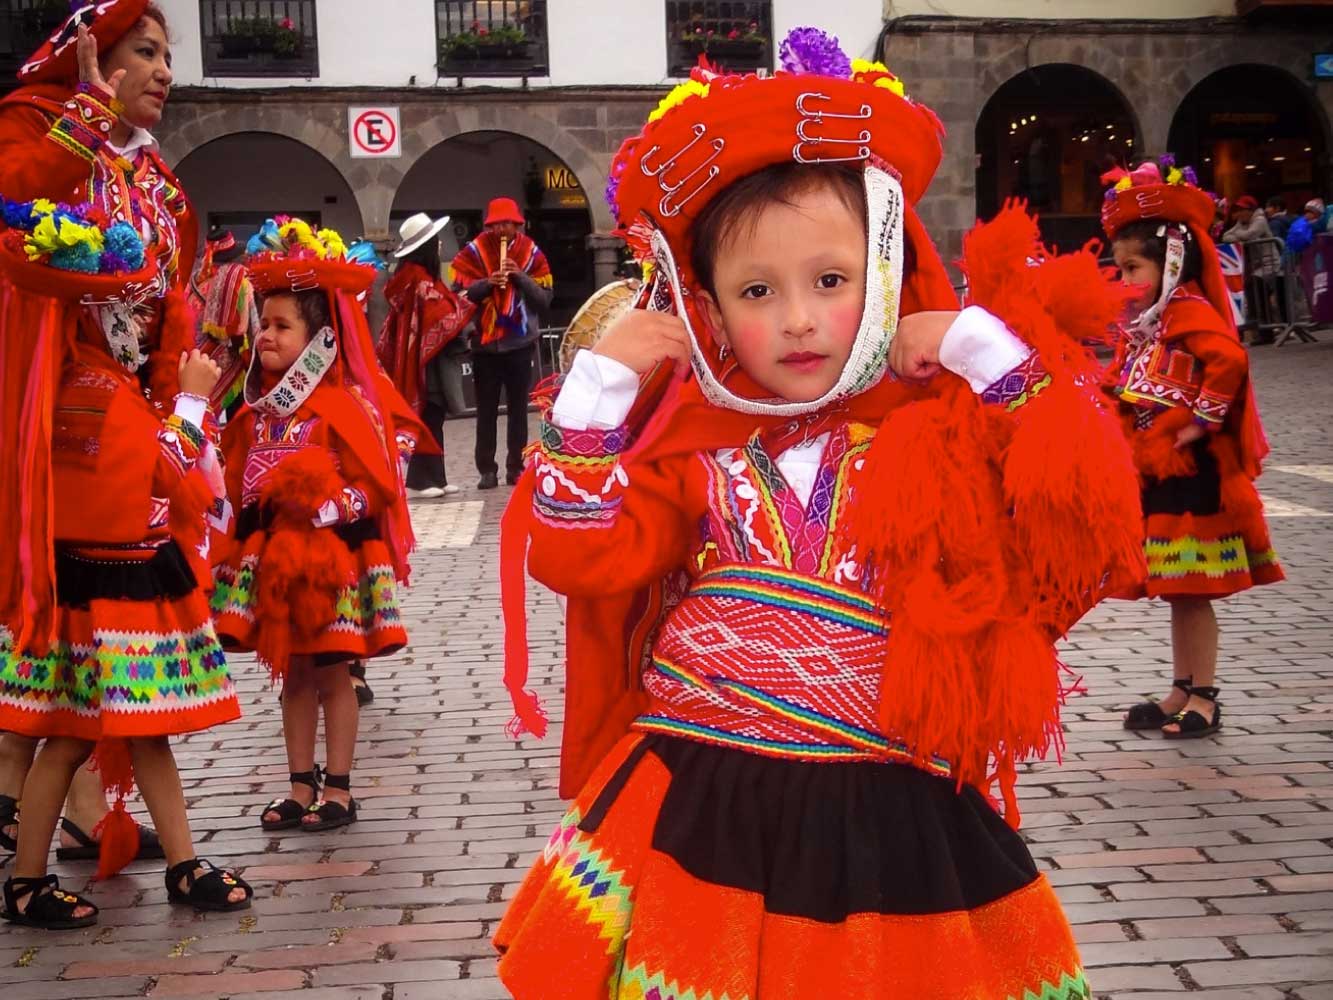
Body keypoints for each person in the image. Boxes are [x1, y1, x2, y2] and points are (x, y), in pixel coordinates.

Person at [490, 30, 1144, 997]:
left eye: (829, 281)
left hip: (888, 807)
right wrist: (590, 405)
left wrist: (982, 358)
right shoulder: (695, 453)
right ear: (706, 309)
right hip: (699, 797)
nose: (797, 319)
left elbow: (1076, 544)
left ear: (879, 274)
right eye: (758, 290)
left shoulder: (935, 436)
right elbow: (585, 562)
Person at [0, 1, 251, 927]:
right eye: (142, 52)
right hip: (88, 452)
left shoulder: (147, 172)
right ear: (88, 60)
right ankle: (31, 876)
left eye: (165, 54)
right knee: (72, 728)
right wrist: (186, 403)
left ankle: (170, 861)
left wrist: (175, 381)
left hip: (128, 424)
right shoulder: (43, 131)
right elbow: (19, 185)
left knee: (126, 722)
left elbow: (171, 293)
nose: (164, 70)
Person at [211, 218, 417, 833]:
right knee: (292, 673)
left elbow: (379, 480)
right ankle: (299, 785)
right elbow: (235, 479)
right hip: (275, 559)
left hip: (333, 561)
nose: (266, 337)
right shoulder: (254, 409)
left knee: (332, 673)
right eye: (263, 325)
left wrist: (331, 507)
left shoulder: (342, 404)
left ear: (319, 338)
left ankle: (340, 788)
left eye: (281, 326)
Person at [1104, 160, 1284, 739]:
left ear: (1172, 262)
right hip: (1161, 468)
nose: (1125, 278)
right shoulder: (1151, 324)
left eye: (1133, 266)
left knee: (1193, 586)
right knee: (1176, 587)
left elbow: (1229, 360)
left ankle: (1203, 693)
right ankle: (1181, 687)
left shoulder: (1186, 311)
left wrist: (1198, 422)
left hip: (1193, 471)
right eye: (1121, 266)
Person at [450, 197, 553, 489]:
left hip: (519, 344)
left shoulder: (531, 253)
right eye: (496, 224)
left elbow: (544, 299)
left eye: (507, 223)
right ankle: (487, 469)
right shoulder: (473, 252)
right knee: (486, 412)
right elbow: (458, 296)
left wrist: (519, 277)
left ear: (517, 224)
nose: (502, 229)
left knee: (519, 410)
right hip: (485, 346)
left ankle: (515, 467)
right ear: (489, 225)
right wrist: (486, 284)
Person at [378, 212, 475, 498]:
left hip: (422, 357)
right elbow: (439, 316)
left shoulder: (413, 278)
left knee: (434, 418)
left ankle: (437, 477)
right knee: (428, 418)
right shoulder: (419, 280)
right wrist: (463, 311)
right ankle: (420, 481)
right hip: (424, 363)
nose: (441, 247)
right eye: (436, 242)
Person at [189, 223, 258, 417]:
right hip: (230, 358)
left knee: (202, 411)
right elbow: (245, 327)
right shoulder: (239, 281)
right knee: (237, 416)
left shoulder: (196, 280)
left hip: (197, 355)